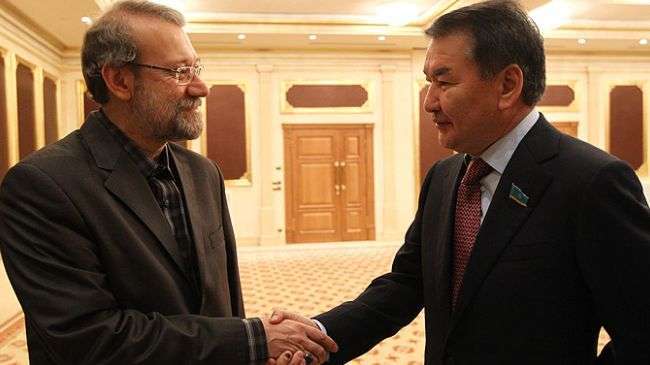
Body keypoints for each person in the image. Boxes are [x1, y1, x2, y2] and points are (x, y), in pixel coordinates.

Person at [271, 1, 650, 364]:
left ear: (507, 86)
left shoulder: (592, 182)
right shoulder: (444, 176)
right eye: (427, 83)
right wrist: (316, 337)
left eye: (444, 82)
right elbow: (406, 283)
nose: (429, 102)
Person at [0, 1, 336, 364]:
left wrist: (251, 353)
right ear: (119, 81)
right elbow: (89, 340)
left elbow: (223, 305)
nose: (201, 88)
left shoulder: (202, 172)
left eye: (196, 69)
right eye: (179, 72)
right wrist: (250, 338)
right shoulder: (42, 185)